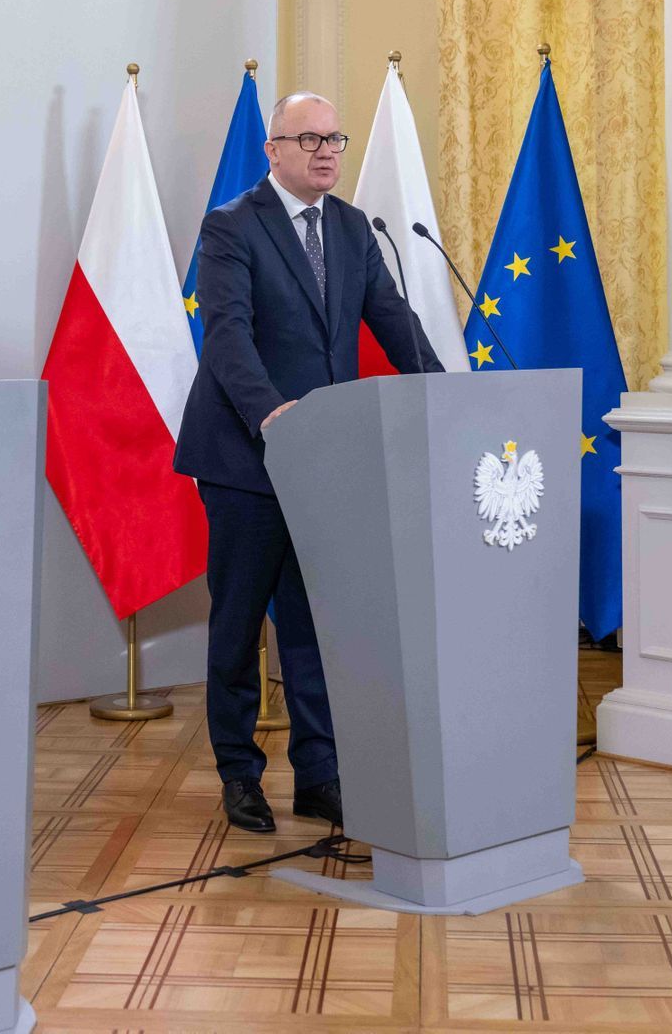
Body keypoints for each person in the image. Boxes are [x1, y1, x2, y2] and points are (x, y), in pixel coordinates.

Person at [173, 92, 443, 834]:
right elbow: (227, 337)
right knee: (238, 624)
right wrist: (272, 413)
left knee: (314, 622)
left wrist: (445, 393)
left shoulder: (353, 228)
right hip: (245, 457)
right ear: (274, 150)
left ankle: (319, 774)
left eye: (335, 139)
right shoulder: (232, 225)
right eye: (310, 139)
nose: (327, 151)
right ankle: (239, 773)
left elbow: (394, 321)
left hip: (326, 460)